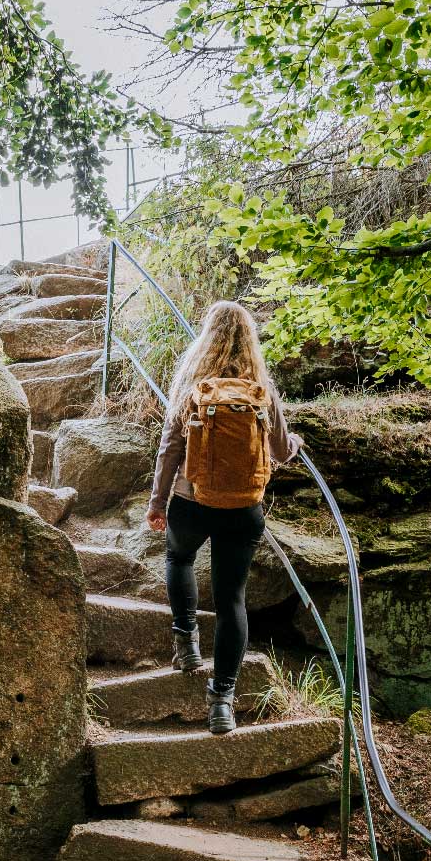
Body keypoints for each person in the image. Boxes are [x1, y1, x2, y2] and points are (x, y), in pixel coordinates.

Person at [145, 301, 302, 734]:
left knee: (179, 559)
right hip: (243, 508)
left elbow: (170, 447)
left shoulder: (195, 385)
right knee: (232, 599)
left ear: (206, 337)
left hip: (191, 502)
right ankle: (222, 702)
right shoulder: (259, 389)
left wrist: (158, 501)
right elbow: (282, 450)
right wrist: (297, 444)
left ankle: (187, 643)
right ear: (251, 340)